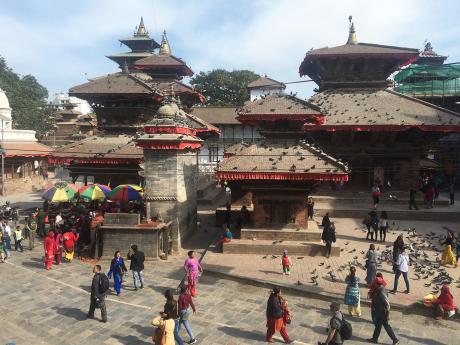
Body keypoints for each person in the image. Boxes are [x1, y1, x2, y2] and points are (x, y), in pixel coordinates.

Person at [367, 274, 399, 345]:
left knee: (386, 325)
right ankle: (374, 338)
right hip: (379, 310)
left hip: (383, 312)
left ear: (376, 283)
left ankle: (395, 340)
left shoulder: (381, 291)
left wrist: (387, 314)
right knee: (378, 325)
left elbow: (387, 304)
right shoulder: (379, 289)